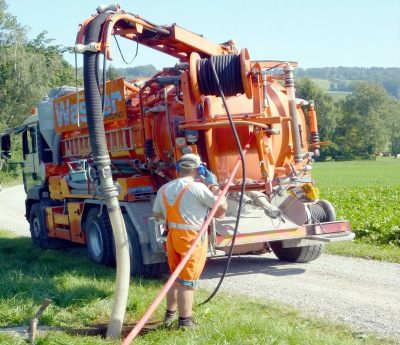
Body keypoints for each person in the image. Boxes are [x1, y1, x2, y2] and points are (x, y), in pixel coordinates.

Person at [152, 153, 227, 329]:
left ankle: (169, 316)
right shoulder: (198, 188)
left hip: (172, 236)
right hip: (192, 238)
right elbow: (222, 206)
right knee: (187, 281)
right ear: (199, 170)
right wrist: (214, 184)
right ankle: (185, 322)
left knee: (175, 278)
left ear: (178, 169)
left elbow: (157, 214)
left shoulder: (164, 189)